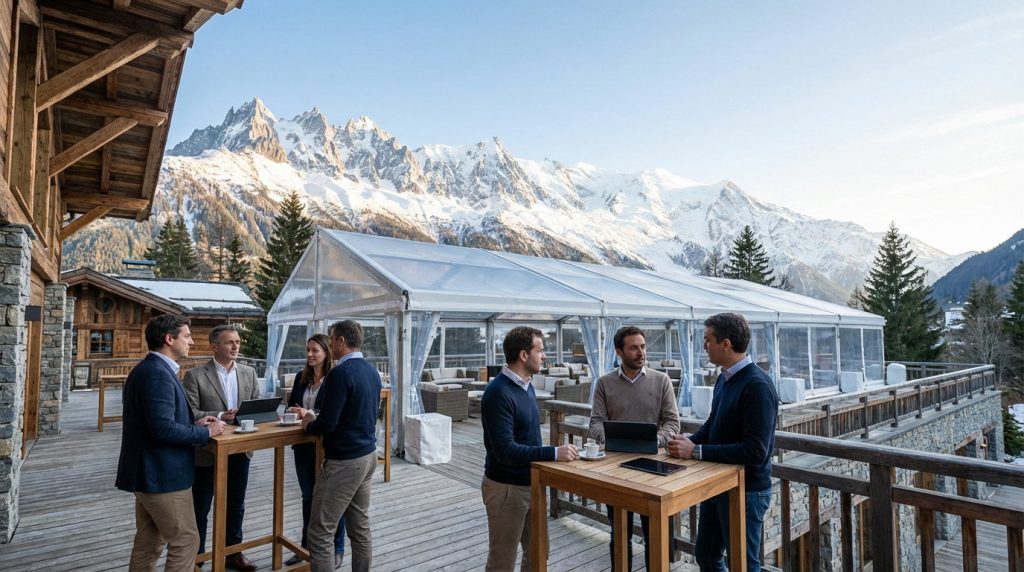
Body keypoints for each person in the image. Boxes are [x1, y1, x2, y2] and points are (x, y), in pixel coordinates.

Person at [667, 313, 779, 572]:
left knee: (744, 565)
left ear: (726, 344)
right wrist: (687, 442)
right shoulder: (724, 378)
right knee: (706, 555)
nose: (704, 346)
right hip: (717, 485)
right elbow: (712, 423)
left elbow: (755, 450)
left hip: (747, 491)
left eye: (708, 340)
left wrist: (696, 452)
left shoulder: (757, 386)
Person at [116, 314, 226, 572]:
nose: (191, 342)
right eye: (186, 336)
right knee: (186, 540)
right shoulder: (157, 374)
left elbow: (157, 422)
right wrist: (206, 433)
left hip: (147, 474)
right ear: (169, 339)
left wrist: (193, 425)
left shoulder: (150, 369)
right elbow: (162, 430)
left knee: (149, 542)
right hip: (162, 476)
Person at [480, 326, 579, 572]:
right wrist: (554, 453)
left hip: (532, 484)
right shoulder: (497, 393)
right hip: (506, 489)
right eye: (540, 350)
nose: (544, 356)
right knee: (502, 561)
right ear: (524, 355)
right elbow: (505, 450)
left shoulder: (527, 386)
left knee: (538, 554)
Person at [590, 325, 680, 570]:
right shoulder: (604, 383)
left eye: (642, 347)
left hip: (654, 468)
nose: (641, 352)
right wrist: (607, 440)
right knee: (619, 532)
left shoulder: (661, 381)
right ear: (619, 351)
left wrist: (655, 440)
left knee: (655, 534)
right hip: (614, 468)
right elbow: (595, 421)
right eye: (634, 348)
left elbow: (673, 422)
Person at [300, 320, 381, 572]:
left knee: (320, 532)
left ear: (341, 341)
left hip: (344, 461)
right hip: (368, 456)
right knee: (360, 528)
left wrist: (309, 424)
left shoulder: (339, 373)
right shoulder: (371, 371)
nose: (331, 343)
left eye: (331, 339)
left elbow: (328, 422)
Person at [182, 325, 261, 571]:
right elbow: (190, 413)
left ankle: (233, 553)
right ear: (214, 346)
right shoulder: (195, 375)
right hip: (206, 452)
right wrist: (221, 415)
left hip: (240, 448)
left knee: (235, 504)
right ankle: (196, 558)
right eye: (230, 342)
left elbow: (257, 406)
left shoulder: (249, 372)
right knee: (201, 506)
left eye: (237, 341)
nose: (236, 346)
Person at [284, 334, 346, 566]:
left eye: (315, 351)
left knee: (332, 500)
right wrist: (296, 411)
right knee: (308, 496)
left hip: (326, 445)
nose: (310, 355)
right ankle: (305, 546)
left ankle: (336, 548)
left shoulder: (335, 377)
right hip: (302, 444)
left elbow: (333, 414)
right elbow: (294, 406)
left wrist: (310, 415)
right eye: (308, 350)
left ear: (326, 353)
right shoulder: (301, 377)